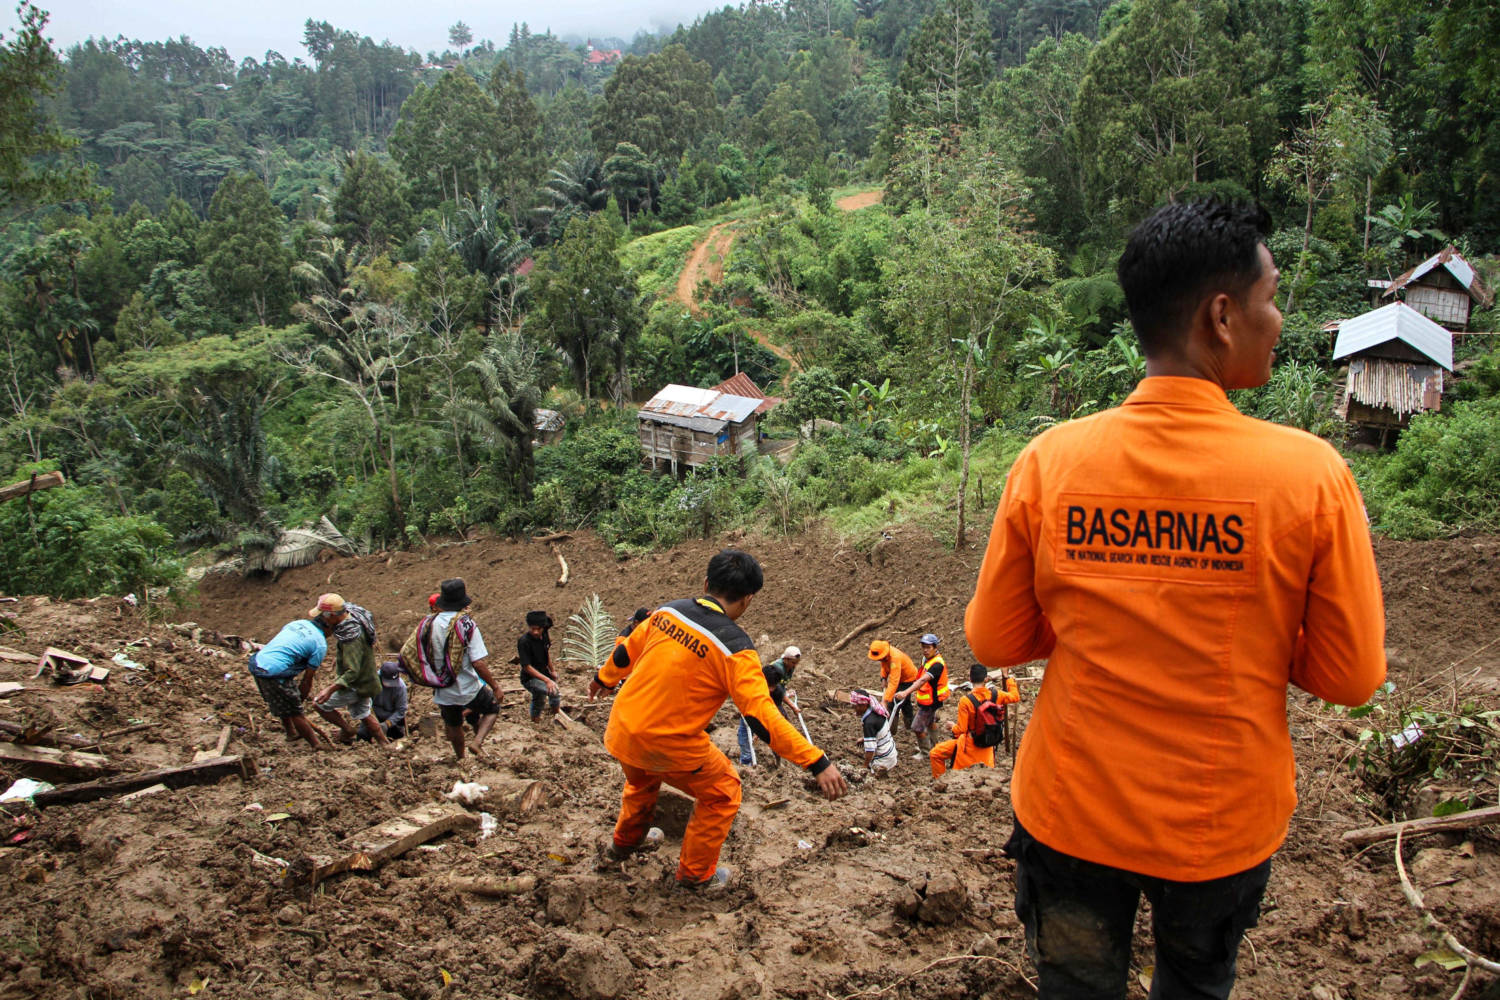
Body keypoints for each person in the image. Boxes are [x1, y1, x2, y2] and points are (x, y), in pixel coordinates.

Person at [965, 198, 1386, 1000]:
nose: (1280, 319)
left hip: (1072, 816)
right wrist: (1255, 628)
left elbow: (995, 640)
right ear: (1221, 317)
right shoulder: (1308, 476)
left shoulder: (1051, 462)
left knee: (1075, 986)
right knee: (1195, 984)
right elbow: (1350, 678)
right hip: (1217, 830)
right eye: (1271, 299)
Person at [588, 549, 848, 888]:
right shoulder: (736, 649)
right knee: (724, 790)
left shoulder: (668, 611)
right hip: (667, 743)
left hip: (623, 729)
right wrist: (816, 761)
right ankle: (696, 875)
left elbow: (626, 651)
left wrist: (604, 679)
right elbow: (760, 716)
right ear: (748, 599)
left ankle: (623, 844)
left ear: (706, 583)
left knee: (641, 781)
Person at [247, 599, 343, 749]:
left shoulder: (298, 624)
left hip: (258, 663)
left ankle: (291, 732)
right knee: (295, 711)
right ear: (330, 627)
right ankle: (316, 744)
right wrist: (299, 702)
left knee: (282, 701)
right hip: (274, 671)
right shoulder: (319, 644)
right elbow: (307, 680)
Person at [428, 578, 501, 761]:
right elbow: (478, 663)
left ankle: (461, 759)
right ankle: (477, 742)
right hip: (467, 685)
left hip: (443, 687)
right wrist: (495, 686)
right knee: (492, 708)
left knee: (454, 724)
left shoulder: (429, 624)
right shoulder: (466, 625)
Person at [312, 597, 388, 746]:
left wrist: (330, 689)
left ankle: (347, 730)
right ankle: (384, 743)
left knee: (318, 704)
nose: (322, 619)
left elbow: (352, 672)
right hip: (366, 680)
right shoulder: (353, 616)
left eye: (323, 615)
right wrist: (341, 657)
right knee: (364, 714)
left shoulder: (351, 636)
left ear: (331, 615)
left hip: (355, 684)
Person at [929, 663, 1018, 778]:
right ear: (986, 679)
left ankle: (941, 781)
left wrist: (952, 726)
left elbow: (961, 730)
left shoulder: (965, 701)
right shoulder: (996, 695)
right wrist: (1007, 677)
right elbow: (1015, 696)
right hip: (988, 745)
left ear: (970, 679)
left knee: (935, 753)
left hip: (969, 746)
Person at [736, 646, 801, 766]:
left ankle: (780, 757)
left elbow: (779, 693)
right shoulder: (757, 683)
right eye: (770, 686)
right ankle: (746, 763)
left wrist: (792, 706)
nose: (772, 689)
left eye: (774, 686)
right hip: (751, 704)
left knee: (779, 727)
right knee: (745, 732)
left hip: (769, 702)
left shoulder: (777, 683)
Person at [895, 633, 950, 752]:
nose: (925, 650)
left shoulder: (937, 664)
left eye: (928, 647)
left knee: (917, 727)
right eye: (923, 647)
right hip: (928, 699)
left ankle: (925, 751)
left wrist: (905, 692)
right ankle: (935, 747)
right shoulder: (927, 659)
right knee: (930, 722)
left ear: (935, 648)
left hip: (931, 701)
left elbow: (923, 680)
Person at [869, 639, 919, 736]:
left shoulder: (894, 658)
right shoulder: (885, 655)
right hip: (900, 677)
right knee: (905, 702)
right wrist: (883, 678)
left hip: (907, 678)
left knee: (893, 702)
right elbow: (884, 665)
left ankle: (891, 729)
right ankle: (910, 724)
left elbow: (894, 682)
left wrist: (885, 700)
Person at [518, 610, 561, 723]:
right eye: (532, 629)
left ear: (543, 627)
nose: (535, 632)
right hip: (530, 678)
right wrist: (547, 680)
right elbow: (526, 667)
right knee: (551, 692)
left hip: (543, 672)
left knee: (542, 696)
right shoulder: (524, 642)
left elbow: (546, 653)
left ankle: (553, 717)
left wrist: (552, 671)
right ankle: (552, 719)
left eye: (538, 629)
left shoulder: (544, 636)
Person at [849, 689, 897, 773]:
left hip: (883, 761)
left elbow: (870, 750)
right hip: (891, 753)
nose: (854, 710)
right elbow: (879, 732)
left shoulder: (869, 723)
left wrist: (864, 767)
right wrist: (864, 739)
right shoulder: (876, 711)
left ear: (864, 705)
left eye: (855, 707)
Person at [360, 659, 409, 741]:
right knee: (362, 735)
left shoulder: (400, 687)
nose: (391, 685)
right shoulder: (372, 681)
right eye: (389, 682)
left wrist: (387, 724)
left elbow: (401, 710)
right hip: (374, 715)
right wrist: (372, 721)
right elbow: (364, 702)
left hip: (391, 718)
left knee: (397, 737)